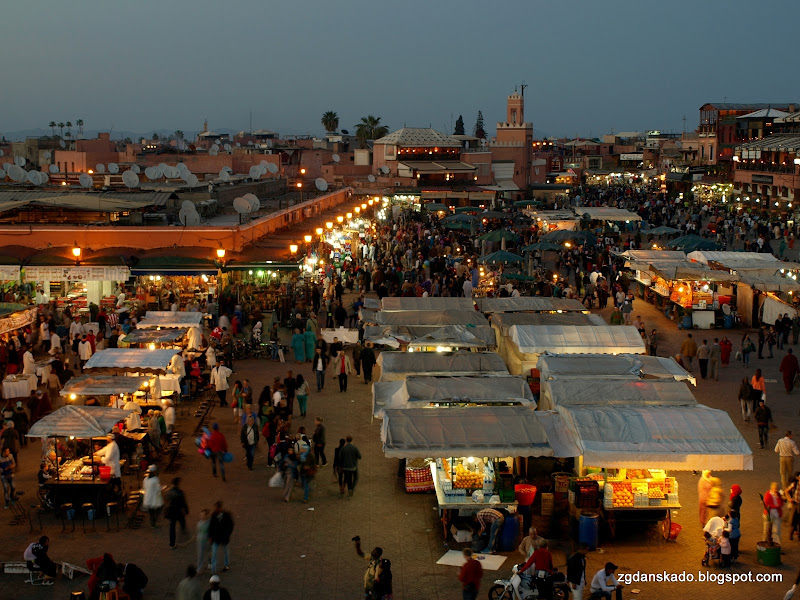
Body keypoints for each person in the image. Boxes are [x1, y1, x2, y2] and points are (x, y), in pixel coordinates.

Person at [208, 500, 234, 574]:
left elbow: (231, 525)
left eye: (217, 508)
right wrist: (210, 536)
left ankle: (226, 564)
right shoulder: (213, 515)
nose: (216, 509)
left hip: (223, 538)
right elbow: (211, 527)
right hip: (216, 538)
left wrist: (227, 534)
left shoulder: (226, 515)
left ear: (220, 508)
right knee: (214, 553)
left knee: (225, 552)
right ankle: (213, 570)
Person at [165, 477, 190, 549]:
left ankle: (172, 544)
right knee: (182, 521)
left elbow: (166, 499)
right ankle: (183, 531)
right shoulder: (180, 492)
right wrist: (186, 510)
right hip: (178, 511)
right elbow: (183, 502)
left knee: (172, 526)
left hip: (171, 511)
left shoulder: (168, 491)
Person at [196, 508, 211, 574]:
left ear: (206, 515)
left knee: (209, 553)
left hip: (208, 541)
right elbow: (198, 531)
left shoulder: (210, 523)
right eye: (200, 515)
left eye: (202, 515)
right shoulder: (199, 523)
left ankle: (210, 563)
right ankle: (199, 568)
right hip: (200, 542)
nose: (200, 516)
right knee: (200, 555)